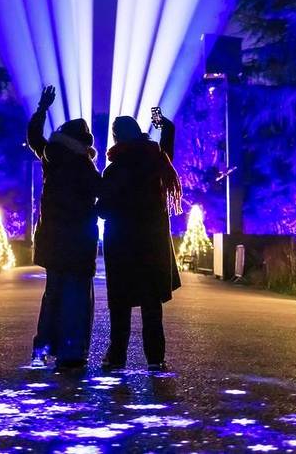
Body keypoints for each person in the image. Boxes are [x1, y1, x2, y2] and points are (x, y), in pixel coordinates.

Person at [98, 113, 182, 371]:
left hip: (123, 244)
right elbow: (168, 141)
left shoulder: (115, 169)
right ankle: (155, 359)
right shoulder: (156, 160)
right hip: (152, 243)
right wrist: (164, 124)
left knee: (120, 304)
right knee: (151, 304)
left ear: (117, 136)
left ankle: (117, 356)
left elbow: (104, 209)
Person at [27, 85, 100, 370]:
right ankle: (71, 352)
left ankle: (43, 347)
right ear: (81, 142)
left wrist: (42, 109)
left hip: (52, 241)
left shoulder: (51, 157)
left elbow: (34, 137)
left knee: (53, 293)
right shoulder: (82, 165)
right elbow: (102, 191)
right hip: (79, 242)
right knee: (77, 297)